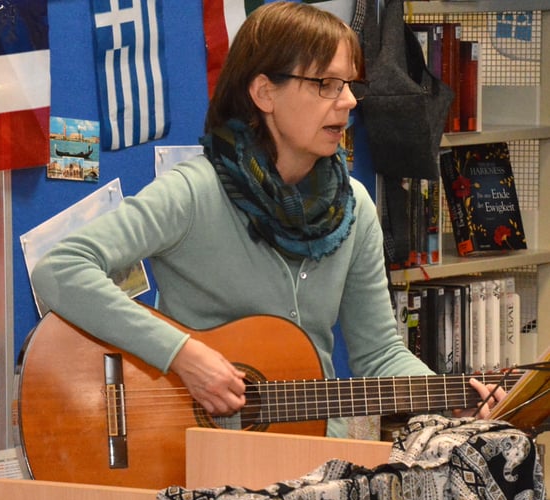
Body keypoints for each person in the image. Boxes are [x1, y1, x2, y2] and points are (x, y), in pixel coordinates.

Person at [31, 1, 503, 438]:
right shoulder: (196, 191)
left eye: (349, 86)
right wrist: (183, 355)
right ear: (264, 92)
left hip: (317, 467)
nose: (349, 102)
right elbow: (60, 269)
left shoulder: (355, 207)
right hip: (195, 463)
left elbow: (379, 353)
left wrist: (447, 399)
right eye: (326, 85)